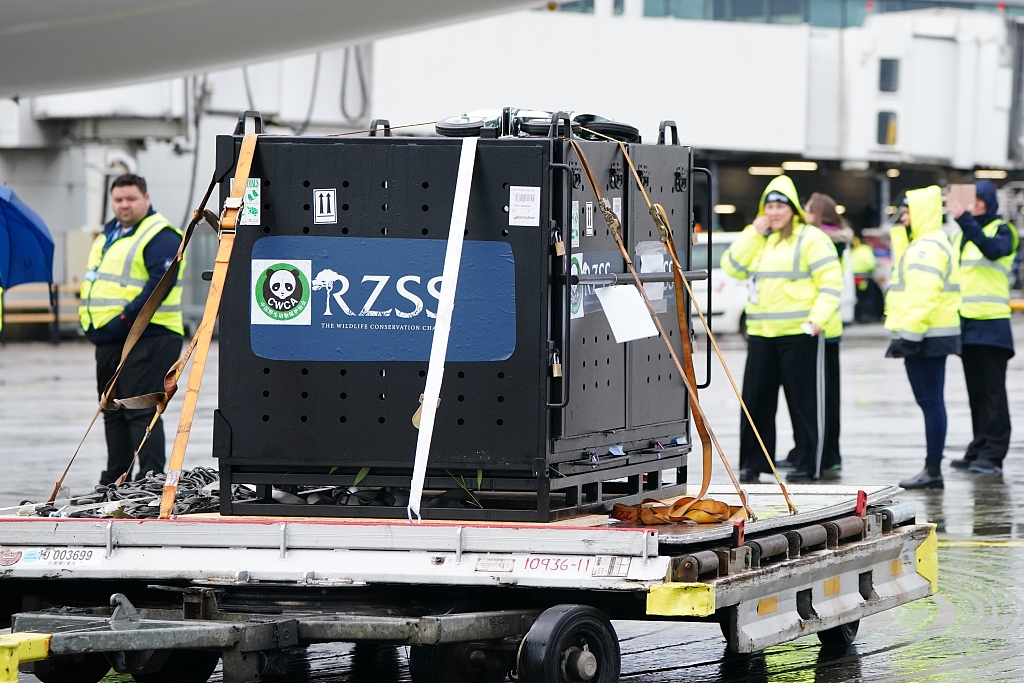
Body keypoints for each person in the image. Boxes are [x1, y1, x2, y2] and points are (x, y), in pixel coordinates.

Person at [722, 176, 844, 483]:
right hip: (762, 333)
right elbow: (732, 266)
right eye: (769, 206)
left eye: (780, 206)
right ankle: (753, 463)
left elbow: (831, 281)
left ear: (793, 210)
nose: (774, 212)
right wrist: (753, 232)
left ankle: (806, 465)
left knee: (803, 405)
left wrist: (818, 318)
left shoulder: (811, 239)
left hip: (800, 333)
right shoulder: (761, 239)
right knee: (755, 401)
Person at [79, 174, 185, 485]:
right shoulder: (109, 234)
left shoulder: (160, 236)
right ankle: (116, 478)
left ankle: (150, 480)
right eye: (118, 200)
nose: (124, 205)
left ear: (146, 198)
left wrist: (124, 320)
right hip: (110, 338)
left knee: (141, 409)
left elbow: (158, 286)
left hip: (149, 336)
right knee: (111, 409)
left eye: (131, 198)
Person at [884, 186, 961, 489]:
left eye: (907, 212)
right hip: (930, 335)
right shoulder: (928, 243)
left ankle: (933, 469)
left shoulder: (926, 247)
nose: (903, 218)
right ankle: (932, 467)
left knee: (930, 403)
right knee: (931, 402)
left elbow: (923, 296)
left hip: (925, 336)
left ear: (922, 213)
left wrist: (911, 337)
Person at [947, 180, 1017, 474]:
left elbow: (992, 250)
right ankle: (979, 447)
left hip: (992, 325)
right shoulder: (960, 235)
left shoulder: (1002, 230)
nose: (968, 204)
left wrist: (964, 220)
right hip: (966, 325)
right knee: (976, 393)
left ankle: (993, 454)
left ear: (987, 202)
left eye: (974, 199)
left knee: (993, 393)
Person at [802, 193, 849, 479]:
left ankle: (825, 453)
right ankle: (827, 452)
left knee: (820, 398)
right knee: (827, 396)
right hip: (828, 325)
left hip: (821, 326)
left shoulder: (821, 240)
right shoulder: (836, 240)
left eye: (808, 209)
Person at [851, 236, 884, 322]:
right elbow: (871, 264)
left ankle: (859, 316)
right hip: (865, 277)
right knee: (868, 297)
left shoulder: (853, 251)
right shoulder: (865, 250)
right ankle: (868, 316)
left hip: (854, 277)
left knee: (859, 297)